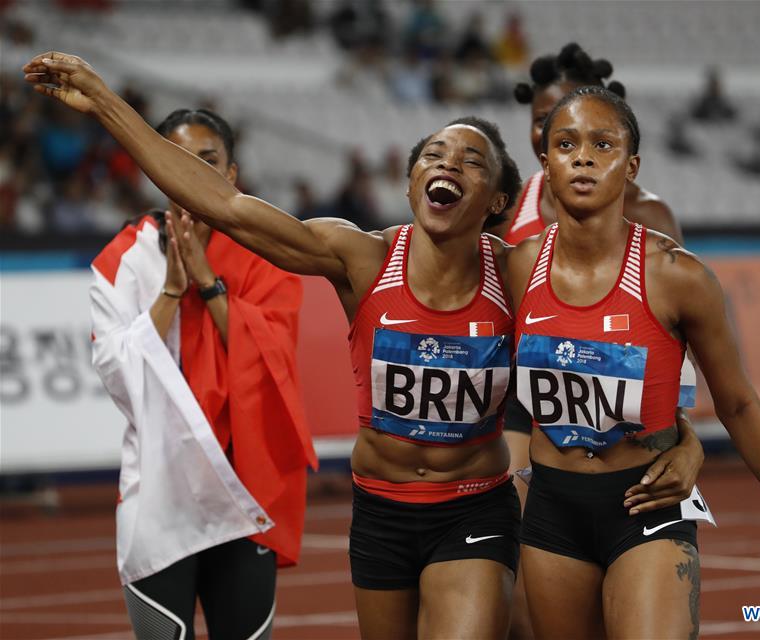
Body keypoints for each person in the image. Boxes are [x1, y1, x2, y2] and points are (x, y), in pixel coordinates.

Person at [25, 51, 705, 640]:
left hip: (475, 502)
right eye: (433, 155)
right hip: (378, 511)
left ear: (497, 200)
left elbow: (606, 345)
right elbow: (224, 205)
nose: (448, 165)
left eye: (471, 161)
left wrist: (684, 436)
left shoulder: (518, 272)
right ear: (412, 183)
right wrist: (107, 104)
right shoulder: (359, 257)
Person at [505, 85, 760, 639]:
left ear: (631, 165)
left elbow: (738, 404)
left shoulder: (677, 276)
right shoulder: (516, 270)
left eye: (603, 144)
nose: (583, 157)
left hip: (648, 505)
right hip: (551, 513)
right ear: (546, 162)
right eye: (566, 144)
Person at [88, 107, 317, 639]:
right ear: (153, 166)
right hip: (158, 492)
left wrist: (209, 281)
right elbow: (119, 377)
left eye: (207, 161)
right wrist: (171, 290)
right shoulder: (122, 260)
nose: (190, 173)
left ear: (232, 174)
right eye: (174, 159)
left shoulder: (267, 251)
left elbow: (271, 372)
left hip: (244, 489)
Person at [499, 44, 702, 639]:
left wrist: (686, 438)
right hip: (530, 403)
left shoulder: (645, 215)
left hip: (631, 405)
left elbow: (672, 346)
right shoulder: (509, 209)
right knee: (514, 573)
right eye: (544, 121)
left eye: (595, 136)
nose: (551, 132)